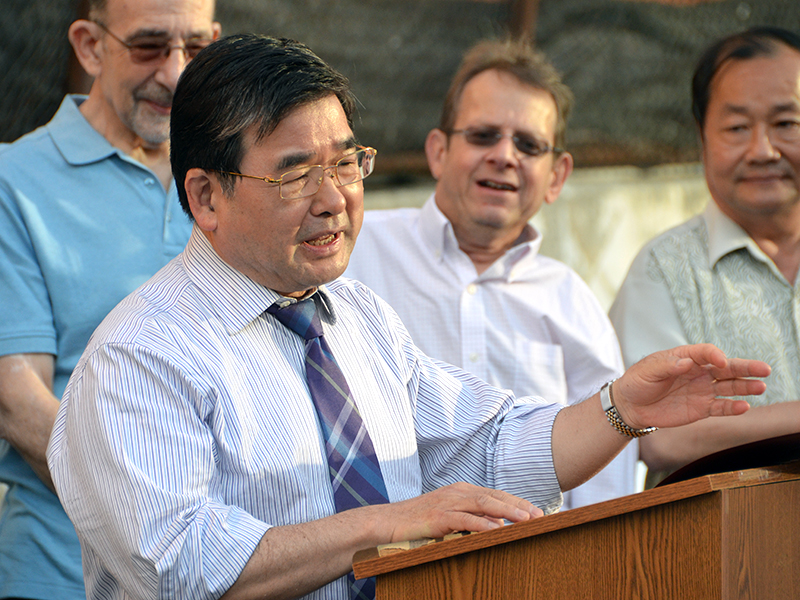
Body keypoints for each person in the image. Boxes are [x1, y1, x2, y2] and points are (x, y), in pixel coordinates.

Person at [47, 34, 770, 600]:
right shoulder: (141, 356)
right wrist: (386, 525)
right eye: (297, 173)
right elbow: (179, 566)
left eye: (346, 164)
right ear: (206, 197)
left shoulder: (355, 317)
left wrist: (620, 408)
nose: (334, 198)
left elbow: (487, 447)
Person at [345, 38, 635, 509]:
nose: (505, 155)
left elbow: (608, 490)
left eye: (529, 144)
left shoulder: (572, 304)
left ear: (557, 175)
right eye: (483, 136)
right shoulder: (353, 253)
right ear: (437, 152)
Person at [0, 0, 220, 597]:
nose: (175, 73)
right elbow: (17, 401)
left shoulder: (235, 174)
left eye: (196, 49)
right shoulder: (12, 180)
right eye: (149, 46)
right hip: (62, 574)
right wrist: (164, 523)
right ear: (89, 45)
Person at [610, 26, 800, 485]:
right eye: (737, 127)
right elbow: (659, 437)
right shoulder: (663, 269)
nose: (763, 150)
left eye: (786, 124)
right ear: (702, 137)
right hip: (719, 549)